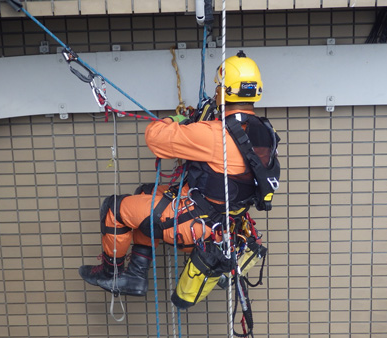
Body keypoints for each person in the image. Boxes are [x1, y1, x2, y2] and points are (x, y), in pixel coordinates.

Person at [79, 51, 279, 297]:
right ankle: (135, 276)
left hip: (196, 222)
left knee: (115, 209)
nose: (215, 92)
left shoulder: (213, 133)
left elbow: (155, 138)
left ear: (225, 91)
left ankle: (112, 273)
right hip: (223, 220)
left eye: (218, 87)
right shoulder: (264, 132)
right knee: (144, 194)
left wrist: (177, 120)